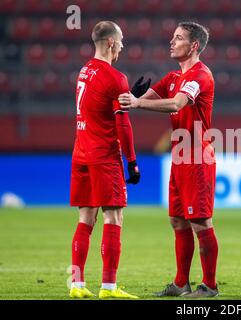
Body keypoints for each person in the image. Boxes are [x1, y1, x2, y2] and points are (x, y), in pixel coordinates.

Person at [119, 21, 218, 298]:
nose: (171, 42)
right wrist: (133, 96)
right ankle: (181, 283)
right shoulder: (175, 77)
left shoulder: (201, 75)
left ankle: (210, 286)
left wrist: (137, 102)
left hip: (198, 157)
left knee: (200, 222)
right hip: (180, 157)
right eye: (172, 37)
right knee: (177, 220)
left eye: (178, 38)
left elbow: (175, 104)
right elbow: (145, 98)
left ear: (194, 45)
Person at [69, 21, 141, 299]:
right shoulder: (115, 77)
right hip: (104, 156)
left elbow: (98, 106)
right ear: (111, 42)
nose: (122, 45)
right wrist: (132, 161)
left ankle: (76, 284)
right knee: (114, 216)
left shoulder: (83, 71)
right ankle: (109, 288)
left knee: (86, 218)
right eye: (121, 41)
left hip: (81, 153)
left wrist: (129, 96)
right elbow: (123, 124)